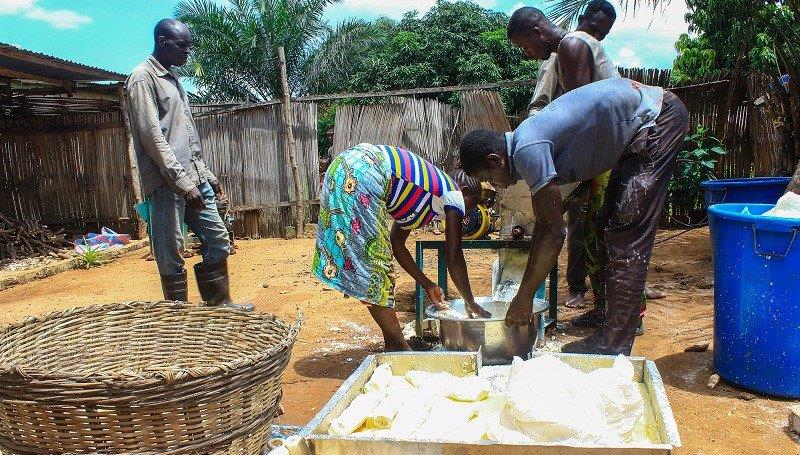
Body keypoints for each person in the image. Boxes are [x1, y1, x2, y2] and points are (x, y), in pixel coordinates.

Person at [458, 78, 689, 355]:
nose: (495, 186)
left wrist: (523, 298)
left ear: (496, 160)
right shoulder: (525, 142)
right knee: (605, 224)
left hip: (658, 119)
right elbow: (548, 220)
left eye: (489, 178)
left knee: (625, 233)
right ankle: (606, 317)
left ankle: (613, 344)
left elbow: (553, 232)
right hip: (635, 133)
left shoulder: (526, 149)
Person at [125, 19, 252, 311]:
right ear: (161, 41)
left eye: (188, 46)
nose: (187, 52)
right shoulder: (143, 78)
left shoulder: (173, 79)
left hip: (195, 177)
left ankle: (219, 303)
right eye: (181, 46)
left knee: (217, 237)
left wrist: (205, 175)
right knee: (171, 249)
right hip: (167, 182)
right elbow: (152, 138)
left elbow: (187, 135)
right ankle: (179, 317)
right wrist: (182, 184)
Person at [313, 143, 490, 351]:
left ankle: (394, 343)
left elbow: (397, 245)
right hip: (365, 171)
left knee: (374, 266)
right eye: (471, 206)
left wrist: (427, 284)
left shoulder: (421, 196)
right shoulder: (454, 193)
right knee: (376, 268)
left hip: (343, 167)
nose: (466, 214)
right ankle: (399, 347)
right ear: (465, 192)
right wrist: (470, 301)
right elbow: (454, 256)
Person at [515, 1, 618, 313]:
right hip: (596, 152)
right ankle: (601, 307)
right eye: (595, 28)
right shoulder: (570, 50)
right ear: (583, 19)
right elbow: (554, 108)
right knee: (591, 229)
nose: (525, 53)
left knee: (601, 230)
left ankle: (618, 312)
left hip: (602, 155)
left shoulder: (574, 48)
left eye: (524, 46)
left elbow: (582, 112)